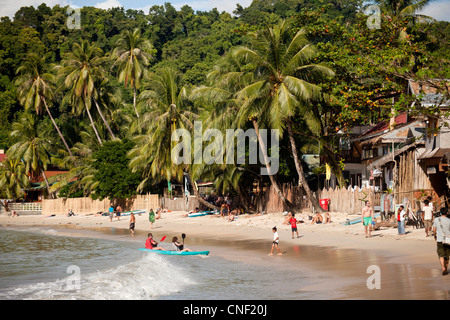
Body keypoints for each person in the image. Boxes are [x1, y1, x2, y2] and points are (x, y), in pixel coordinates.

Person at [432, 207, 450, 275]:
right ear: (447, 213)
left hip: (440, 240)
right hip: (448, 240)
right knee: (447, 255)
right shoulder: (449, 220)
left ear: (440, 213)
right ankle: (446, 267)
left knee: (441, 255)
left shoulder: (437, 219)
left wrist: (435, 236)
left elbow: (434, 230)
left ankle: (443, 268)